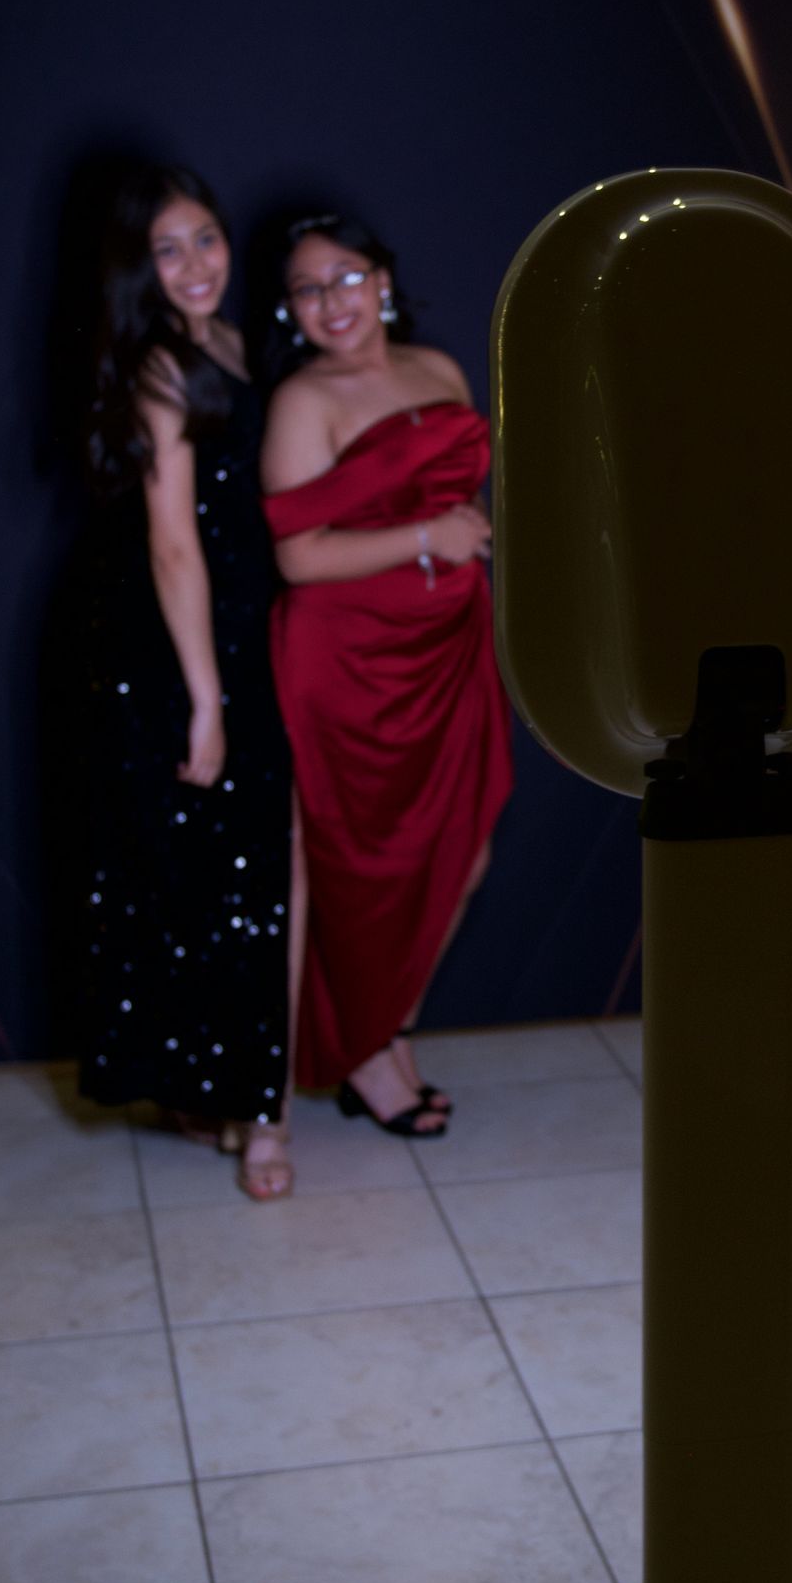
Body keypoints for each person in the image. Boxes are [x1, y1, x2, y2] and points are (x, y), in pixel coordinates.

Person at [261, 212, 512, 1135]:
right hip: (348, 664)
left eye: (347, 276)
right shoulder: (302, 400)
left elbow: (449, 481)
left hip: (445, 646)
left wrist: (460, 532)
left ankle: (383, 1031)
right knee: (363, 867)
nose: (332, 300)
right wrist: (426, 539)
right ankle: (367, 1056)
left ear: (383, 281)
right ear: (291, 309)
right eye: (307, 287)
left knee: (459, 853)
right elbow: (297, 557)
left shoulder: (437, 368)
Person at [78, 164, 297, 1198]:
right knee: (217, 879)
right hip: (177, 650)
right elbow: (174, 544)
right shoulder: (160, 365)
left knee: (241, 882)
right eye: (170, 248)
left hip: (240, 630)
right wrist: (208, 700)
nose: (197, 263)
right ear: (139, 266)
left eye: (206, 238)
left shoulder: (228, 344)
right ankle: (252, 1115)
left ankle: (232, 1096)